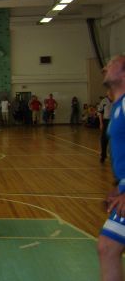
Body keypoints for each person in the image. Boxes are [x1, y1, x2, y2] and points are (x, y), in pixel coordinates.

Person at [98, 55, 125, 281]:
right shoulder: (118, 105)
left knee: (108, 247)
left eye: (112, 63)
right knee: (107, 247)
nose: (105, 67)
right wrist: (118, 186)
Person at [98, 90, 113, 164]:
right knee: (104, 139)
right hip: (106, 121)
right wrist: (101, 123)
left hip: (115, 121)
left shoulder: (118, 99)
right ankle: (103, 155)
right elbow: (100, 113)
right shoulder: (104, 101)